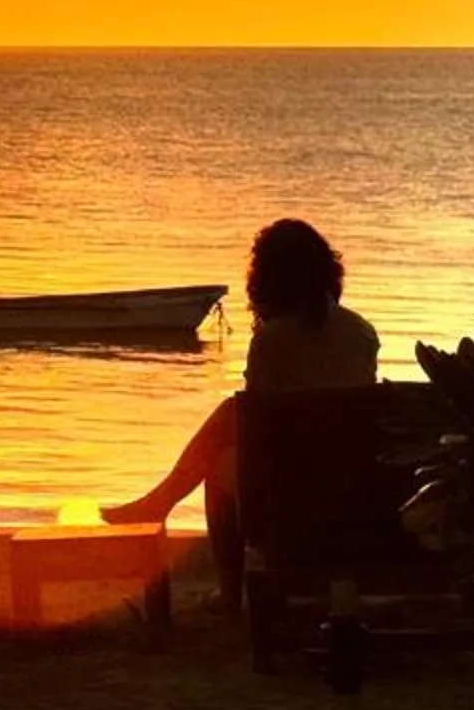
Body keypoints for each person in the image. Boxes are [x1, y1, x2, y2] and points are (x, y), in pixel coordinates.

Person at [103, 218, 380, 606]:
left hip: (287, 495)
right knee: (231, 415)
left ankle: (229, 589)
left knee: (220, 461)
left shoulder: (274, 339)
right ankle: (159, 502)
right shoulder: (362, 332)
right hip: (353, 488)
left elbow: (255, 426)